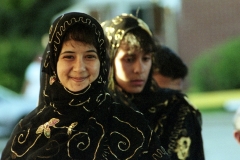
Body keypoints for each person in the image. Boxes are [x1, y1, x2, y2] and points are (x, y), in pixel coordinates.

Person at [1, 12, 170, 160]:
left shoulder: (129, 123)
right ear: (53, 63)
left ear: (102, 63)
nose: (80, 67)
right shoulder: (27, 131)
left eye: (89, 56)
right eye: (69, 57)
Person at [101, 13, 205, 160]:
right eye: (129, 59)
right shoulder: (94, 110)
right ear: (109, 61)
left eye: (146, 58)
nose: (140, 69)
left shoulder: (176, 109)